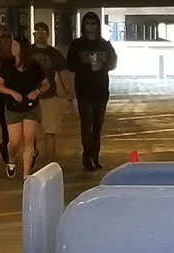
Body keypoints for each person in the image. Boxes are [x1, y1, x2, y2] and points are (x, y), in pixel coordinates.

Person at [67, 12, 117, 170]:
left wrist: (103, 65)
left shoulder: (104, 45)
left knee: (97, 125)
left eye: (94, 23)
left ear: (98, 25)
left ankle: (95, 155)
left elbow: (113, 62)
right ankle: (87, 155)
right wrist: (86, 64)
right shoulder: (77, 45)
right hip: (83, 90)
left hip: (101, 90)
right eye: (88, 23)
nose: (91, 27)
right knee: (86, 123)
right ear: (83, 25)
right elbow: (71, 65)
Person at [0, 35, 49, 180]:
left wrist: (36, 92)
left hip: (31, 108)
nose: (12, 48)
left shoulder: (34, 66)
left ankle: (27, 175)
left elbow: (46, 83)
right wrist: (12, 92)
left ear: (22, 49)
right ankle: (11, 159)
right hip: (13, 108)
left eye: (15, 45)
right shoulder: (7, 64)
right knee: (14, 142)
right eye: (12, 45)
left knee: (28, 140)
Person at [31, 21, 72, 166]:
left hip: (49, 97)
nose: (40, 35)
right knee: (29, 133)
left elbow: (63, 73)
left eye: (43, 32)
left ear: (48, 35)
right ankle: (32, 155)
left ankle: (49, 161)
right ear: (34, 34)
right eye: (37, 32)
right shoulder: (27, 52)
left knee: (50, 131)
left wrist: (69, 94)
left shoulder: (54, 54)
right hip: (30, 98)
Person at [0, 28, 14, 164]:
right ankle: (6, 149)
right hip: (0, 97)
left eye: (8, 36)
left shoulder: (16, 56)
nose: (5, 39)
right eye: (2, 37)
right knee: (6, 126)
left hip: (14, 96)